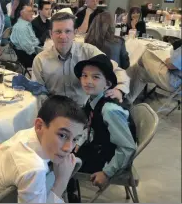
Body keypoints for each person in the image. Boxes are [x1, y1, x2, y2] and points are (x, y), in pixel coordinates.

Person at [0, 95, 87, 203]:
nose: (68, 148)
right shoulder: (34, 169)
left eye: (75, 139)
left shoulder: (32, 134)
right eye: (62, 135)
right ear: (39, 126)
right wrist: (62, 181)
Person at [67, 54, 136, 201]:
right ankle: (71, 190)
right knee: (63, 148)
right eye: (84, 76)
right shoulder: (92, 98)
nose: (88, 81)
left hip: (107, 159)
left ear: (107, 84)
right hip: (98, 145)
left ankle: (68, 192)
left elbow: (128, 148)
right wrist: (78, 143)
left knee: (59, 159)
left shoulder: (109, 110)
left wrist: (106, 173)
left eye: (96, 77)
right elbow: (90, 126)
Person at [32, 12, 130, 107]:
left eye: (68, 31)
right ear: (50, 34)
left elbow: (117, 71)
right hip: (55, 111)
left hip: (84, 109)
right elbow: (38, 92)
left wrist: (119, 90)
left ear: (75, 33)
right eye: (58, 32)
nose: (63, 36)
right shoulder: (40, 60)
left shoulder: (88, 52)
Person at [126, 39, 182, 103]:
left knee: (145, 54)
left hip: (176, 83)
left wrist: (168, 60)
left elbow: (171, 65)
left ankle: (126, 98)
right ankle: (129, 99)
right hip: (177, 79)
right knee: (141, 72)